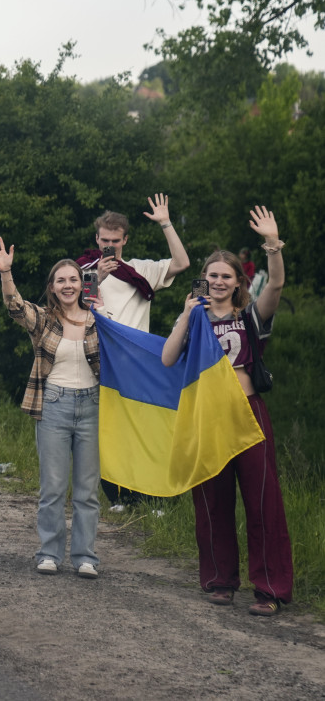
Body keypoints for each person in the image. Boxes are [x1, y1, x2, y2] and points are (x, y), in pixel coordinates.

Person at [161, 207, 291, 617]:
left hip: (247, 414)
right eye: (212, 275)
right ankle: (220, 580)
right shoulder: (196, 319)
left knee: (262, 501)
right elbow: (167, 359)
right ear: (205, 279)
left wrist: (272, 243)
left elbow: (277, 284)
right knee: (213, 501)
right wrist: (185, 314)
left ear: (237, 283)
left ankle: (269, 588)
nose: (218, 281)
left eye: (226, 276)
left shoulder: (250, 316)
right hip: (208, 418)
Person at [0, 239, 102, 579]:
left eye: (73, 279)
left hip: (93, 406)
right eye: (61, 280)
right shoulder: (44, 319)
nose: (68, 285)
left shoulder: (99, 320)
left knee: (87, 489)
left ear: (82, 284)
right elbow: (14, 306)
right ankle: (49, 553)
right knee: (52, 486)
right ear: (52, 288)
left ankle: (85, 557)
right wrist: (6, 272)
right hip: (53, 404)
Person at [79, 194, 190, 508]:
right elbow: (82, 307)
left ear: (125, 239)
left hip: (138, 362)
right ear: (96, 238)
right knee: (110, 432)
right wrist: (96, 276)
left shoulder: (142, 270)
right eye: (104, 240)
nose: (109, 246)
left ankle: (151, 495)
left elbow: (182, 263)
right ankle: (119, 496)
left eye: (115, 240)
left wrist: (166, 222)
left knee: (144, 429)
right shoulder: (85, 270)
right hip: (102, 362)